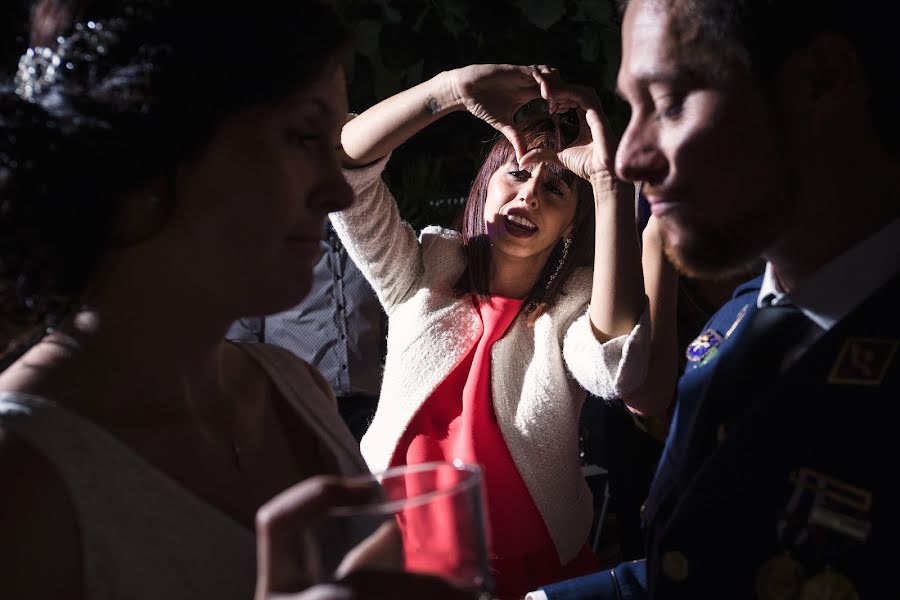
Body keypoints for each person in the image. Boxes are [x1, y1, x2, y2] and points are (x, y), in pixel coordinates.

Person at [0, 3, 471, 600]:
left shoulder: (296, 389)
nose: (332, 190)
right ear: (151, 155)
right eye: (301, 137)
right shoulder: (24, 473)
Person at [532, 0, 900, 597]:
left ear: (821, 80)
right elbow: (696, 572)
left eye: (670, 102)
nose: (627, 157)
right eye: (633, 108)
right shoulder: (733, 329)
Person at [334, 64, 672, 598]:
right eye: (516, 172)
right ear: (483, 188)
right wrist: (447, 89)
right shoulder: (422, 272)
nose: (529, 194)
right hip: (395, 564)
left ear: (570, 226)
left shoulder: (572, 308)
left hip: (530, 580)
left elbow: (617, 367)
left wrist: (609, 183)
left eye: (556, 188)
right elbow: (345, 170)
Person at [226, 224, 384, 443]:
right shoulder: (269, 252)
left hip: (371, 406)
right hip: (299, 405)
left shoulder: (374, 249)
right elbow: (242, 336)